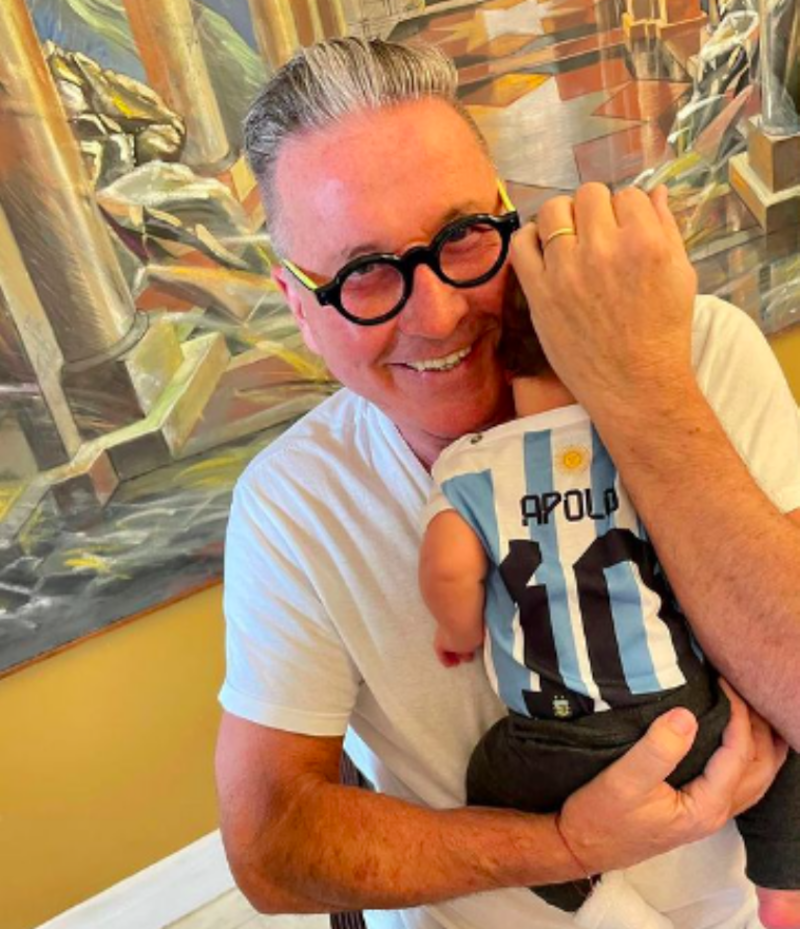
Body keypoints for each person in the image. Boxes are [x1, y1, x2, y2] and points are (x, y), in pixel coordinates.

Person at [215, 37, 796, 929]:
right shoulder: (292, 504)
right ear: (299, 304)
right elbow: (270, 847)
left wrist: (645, 395)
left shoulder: (698, 352)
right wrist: (565, 844)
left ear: (510, 218)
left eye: (460, 237)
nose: (439, 312)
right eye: (365, 274)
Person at [419, 289, 800, 925]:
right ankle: (783, 889)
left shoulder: (470, 467)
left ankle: (588, 900)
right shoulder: (643, 449)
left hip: (555, 736)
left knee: (488, 793)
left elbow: (449, 569)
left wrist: (456, 629)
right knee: (785, 746)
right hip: (687, 708)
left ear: (504, 366)